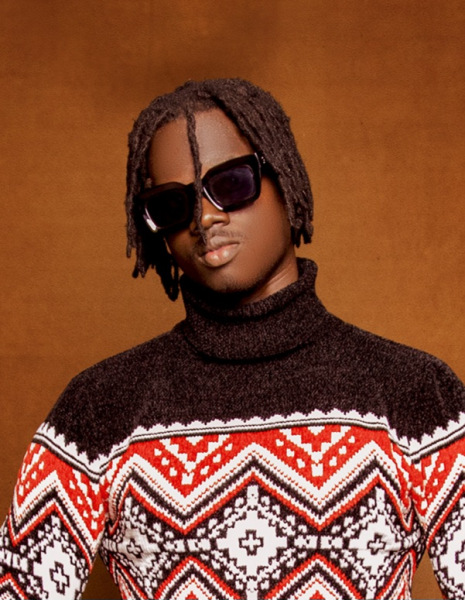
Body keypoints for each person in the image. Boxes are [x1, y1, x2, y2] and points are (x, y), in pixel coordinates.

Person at [0, 78, 463, 600]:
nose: (205, 218)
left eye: (232, 182)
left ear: (285, 179)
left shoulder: (416, 393)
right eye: (172, 205)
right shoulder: (100, 406)